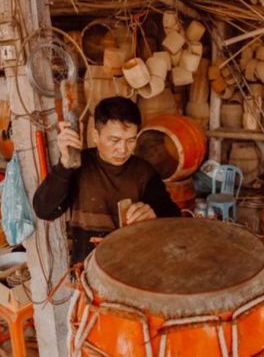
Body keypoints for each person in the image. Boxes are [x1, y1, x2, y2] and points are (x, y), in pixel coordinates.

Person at [33, 96, 181, 264]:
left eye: (131, 140)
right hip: (87, 267)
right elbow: (44, 210)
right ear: (95, 135)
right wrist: (64, 165)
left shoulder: (144, 172)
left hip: (133, 267)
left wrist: (155, 213)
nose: (123, 149)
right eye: (114, 140)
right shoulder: (78, 165)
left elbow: (173, 216)